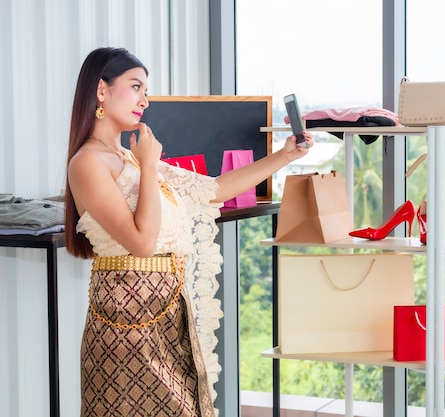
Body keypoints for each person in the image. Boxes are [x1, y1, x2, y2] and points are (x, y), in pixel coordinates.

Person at [64, 47, 313, 417]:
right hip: (123, 325)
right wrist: (150, 165)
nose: (144, 101)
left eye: (146, 91)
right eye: (136, 87)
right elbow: (142, 243)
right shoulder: (87, 163)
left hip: (166, 316)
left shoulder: (130, 157)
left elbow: (214, 190)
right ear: (101, 90)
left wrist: (285, 156)